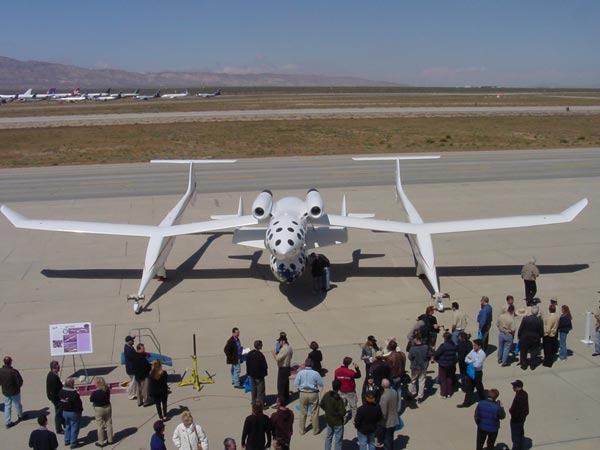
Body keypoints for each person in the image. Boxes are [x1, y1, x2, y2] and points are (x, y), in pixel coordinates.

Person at [293, 358, 324, 435]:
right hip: (313, 393)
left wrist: (300, 386)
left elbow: (296, 383)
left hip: (303, 393)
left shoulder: (300, 373)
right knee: (315, 412)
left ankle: (302, 430)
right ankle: (315, 430)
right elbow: (321, 384)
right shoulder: (315, 373)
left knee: (302, 413)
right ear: (312, 364)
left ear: (305, 364)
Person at [458, 339, 486, 408]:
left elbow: (477, 365)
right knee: (469, 388)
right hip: (470, 372)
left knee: (479, 387)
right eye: (474, 345)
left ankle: (483, 399)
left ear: (479, 346)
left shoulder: (482, 354)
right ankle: (466, 403)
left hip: (477, 373)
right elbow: (466, 359)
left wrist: (470, 361)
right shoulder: (473, 351)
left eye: (475, 345)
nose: (474, 346)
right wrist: (473, 361)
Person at [0, 355, 25, 429]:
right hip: (15, 392)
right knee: (18, 405)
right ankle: (20, 416)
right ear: (10, 362)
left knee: (7, 406)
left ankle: (8, 422)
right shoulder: (14, 372)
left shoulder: (0, 371)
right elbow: (20, 382)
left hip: (5, 391)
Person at [320, 379, 346, 450]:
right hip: (338, 422)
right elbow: (342, 412)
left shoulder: (326, 395)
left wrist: (327, 411)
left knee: (328, 437)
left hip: (329, 420)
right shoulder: (339, 400)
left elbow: (321, 404)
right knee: (338, 439)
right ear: (339, 387)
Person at [518, 305, 544, 369]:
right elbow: (541, 331)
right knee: (534, 352)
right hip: (535, 339)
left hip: (525, 338)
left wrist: (519, 335)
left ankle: (524, 365)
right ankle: (533, 365)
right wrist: (540, 336)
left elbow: (521, 328)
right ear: (537, 312)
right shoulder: (540, 320)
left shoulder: (526, 319)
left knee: (523, 352)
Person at [59, 378, 83, 449]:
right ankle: (73, 443)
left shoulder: (61, 391)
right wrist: (80, 410)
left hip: (65, 412)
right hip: (74, 412)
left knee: (67, 426)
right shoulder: (74, 393)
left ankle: (67, 440)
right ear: (71, 384)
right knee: (74, 428)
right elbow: (78, 404)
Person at [90, 376, 113, 446]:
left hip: (99, 409)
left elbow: (91, 399)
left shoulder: (95, 393)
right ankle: (110, 439)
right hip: (108, 407)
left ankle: (101, 441)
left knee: (100, 426)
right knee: (109, 424)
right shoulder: (107, 390)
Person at [407, 333, 430, 403]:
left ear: (416, 339)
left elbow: (410, 357)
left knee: (413, 381)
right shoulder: (426, 347)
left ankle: (412, 393)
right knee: (422, 381)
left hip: (415, 367)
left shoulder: (413, 348)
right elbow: (428, 355)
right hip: (423, 366)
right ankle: (420, 396)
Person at [377, 379, 399, 450]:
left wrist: (380, 421)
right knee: (390, 437)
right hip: (394, 419)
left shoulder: (384, 397)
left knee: (387, 439)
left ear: (382, 385)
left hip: (386, 422)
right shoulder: (394, 392)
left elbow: (383, 412)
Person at [434, 332, 457, 398]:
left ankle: (443, 394)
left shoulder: (443, 346)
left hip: (443, 364)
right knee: (449, 378)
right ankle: (449, 392)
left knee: (443, 379)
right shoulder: (453, 345)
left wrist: (433, 352)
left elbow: (437, 353)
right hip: (451, 364)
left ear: (445, 338)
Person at [273, 334, 293, 408]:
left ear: (283, 341)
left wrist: (274, 353)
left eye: (280, 341)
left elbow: (278, 358)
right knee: (286, 385)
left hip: (283, 368)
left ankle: (281, 402)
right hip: (287, 367)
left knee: (281, 386)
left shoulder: (284, 349)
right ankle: (286, 398)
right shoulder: (290, 347)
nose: (279, 343)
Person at [385, 341, 405, 411]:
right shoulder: (401, 355)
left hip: (392, 377)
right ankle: (398, 409)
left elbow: (388, 368)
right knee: (399, 392)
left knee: (391, 393)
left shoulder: (389, 358)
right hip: (399, 376)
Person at [246, 340, 268, 405]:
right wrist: (264, 373)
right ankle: (260, 404)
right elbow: (264, 366)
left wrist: (248, 373)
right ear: (259, 346)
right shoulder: (260, 355)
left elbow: (247, 364)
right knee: (260, 391)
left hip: (252, 375)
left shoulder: (250, 354)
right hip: (259, 376)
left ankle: (253, 401)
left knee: (253, 389)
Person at [509, 380, 529, 450]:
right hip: (522, 418)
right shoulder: (524, 393)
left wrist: (511, 411)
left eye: (514, 386)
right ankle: (521, 446)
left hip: (516, 420)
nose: (513, 388)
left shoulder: (519, 397)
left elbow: (516, 410)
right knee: (520, 433)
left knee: (515, 437)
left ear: (518, 387)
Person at [46, 360, 64, 434]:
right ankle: (58, 428)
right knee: (58, 413)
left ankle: (63, 423)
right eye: (58, 366)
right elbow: (55, 390)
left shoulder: (52, 374)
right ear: (54, 368)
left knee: (60, 411)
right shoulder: (53, 377)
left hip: (54, 397)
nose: (59, 367)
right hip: (56, 398)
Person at [123, 335, 137, 400]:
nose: (133, 341)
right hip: (131, 369)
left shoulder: (128, 346)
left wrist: (133, 337)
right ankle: (131, 395)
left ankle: (129, 390)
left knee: (132, 381)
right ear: (129, 342)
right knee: (133, 382)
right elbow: (133, 358)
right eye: (132, 340)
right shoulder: (128, 350)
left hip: (130, 368)